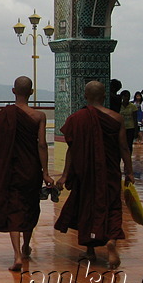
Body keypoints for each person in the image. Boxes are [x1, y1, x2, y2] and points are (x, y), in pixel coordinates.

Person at [54, 81, 134, 269]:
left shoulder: (76, 118)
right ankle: (112, 240)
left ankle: (90, 250)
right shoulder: (116, 118)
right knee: (113, 206)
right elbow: (123, 147)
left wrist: (65, 175)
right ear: (104, 96)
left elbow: (71, 149)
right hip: (110, 171)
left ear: (85, 96)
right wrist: (129, 171)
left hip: (85, 173)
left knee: (87, 208)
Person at [0, 76, 54, 271]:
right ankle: (25, 246)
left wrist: (6, 154)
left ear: (13, 91)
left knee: (13, 208)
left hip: (10, 168)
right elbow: (42, 144)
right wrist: (46, 172)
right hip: (31, 168)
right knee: (29, 206)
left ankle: (16, 255)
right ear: (31, 93)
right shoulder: (39, 116)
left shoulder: (3, 115)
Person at [118, 90, 137, 155]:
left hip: (130, 128)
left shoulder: (133, 107)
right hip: (121, 128)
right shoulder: (118, 106)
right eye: (125, 96)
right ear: (122, 97)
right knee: (120, 144)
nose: (127, 98)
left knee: (129, 144)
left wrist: (136, 131)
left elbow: (135, 119)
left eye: (128, 96)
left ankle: (128, 158)